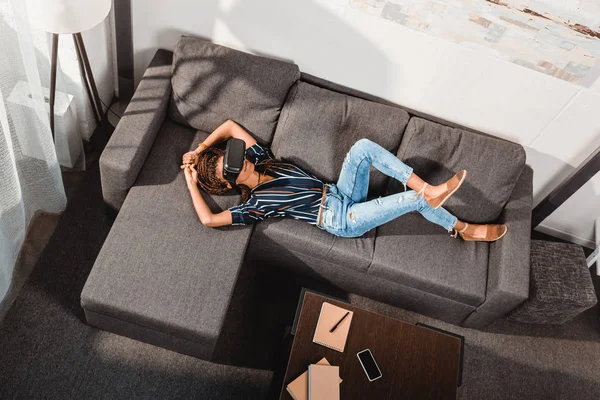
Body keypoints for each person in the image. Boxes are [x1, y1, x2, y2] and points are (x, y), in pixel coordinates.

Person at [181, 120, 507, 242]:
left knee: (362, 148)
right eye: (236, 169)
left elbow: (229, 126)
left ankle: (427, 188)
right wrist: (191, 179)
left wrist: (200, 150)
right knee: (411, 201)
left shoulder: (260, 159)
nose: (245, 164)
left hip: (339, 191)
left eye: (238, 157)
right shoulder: (255, 205)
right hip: (341, 219)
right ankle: (461, 228)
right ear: (228, 185)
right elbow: (208, 219)